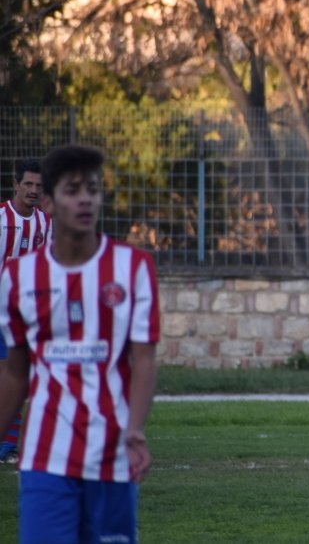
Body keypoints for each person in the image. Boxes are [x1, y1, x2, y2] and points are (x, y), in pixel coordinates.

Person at [0, 145, 160, 543]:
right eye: (73, 190)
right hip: (44, 457)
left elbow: (143, 360)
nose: (86, 198)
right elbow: (14, 374)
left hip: (112, 455)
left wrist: (135, 431)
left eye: (92, 188)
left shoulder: (133, 268)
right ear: (50, 203)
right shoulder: (18, 278)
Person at [0, 158, 51, 464]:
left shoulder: (46, 223)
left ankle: (9, 445)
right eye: (28, 184)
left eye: (39, 186)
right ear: (15, 184)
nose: (33, 190)